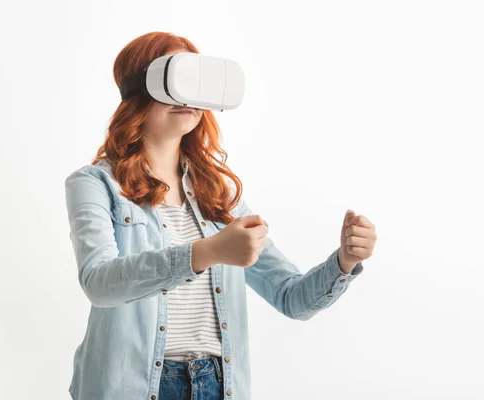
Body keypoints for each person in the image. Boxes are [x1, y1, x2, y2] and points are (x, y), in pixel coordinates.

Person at [65, 31, 375, 400]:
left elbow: (291, 298)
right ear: (138, 90)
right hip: (131, 387)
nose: (188, 97)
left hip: (217, 384)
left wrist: (344, 261)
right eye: (175, 81)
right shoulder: (95, 183)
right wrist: (206, 252)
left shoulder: (218, 193)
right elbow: (99, 284)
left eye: (195, 84)